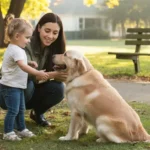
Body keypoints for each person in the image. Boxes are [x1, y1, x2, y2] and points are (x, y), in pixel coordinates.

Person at [0, 18, 49, 141]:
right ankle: (8, 132)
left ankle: (21, 129)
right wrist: (37, 73)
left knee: (21, 109)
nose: (28, 41)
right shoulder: (15, 49)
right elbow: (22, 66)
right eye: (27, 37)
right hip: (10, 86)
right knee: (13, 110)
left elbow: (21, 62)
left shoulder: (17, 49)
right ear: (17, 36)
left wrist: (29, 63)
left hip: (17, 85)